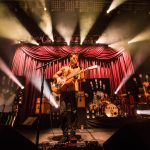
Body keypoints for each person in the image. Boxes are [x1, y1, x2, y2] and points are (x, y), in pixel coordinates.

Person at [52, 52, 84, 143]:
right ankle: (65, 134)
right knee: (62, 112)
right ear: (70, 58)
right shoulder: (64, 68)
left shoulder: (79, 69)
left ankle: (73, 133)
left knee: (74, 112)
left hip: (74, 92)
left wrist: (79, 77)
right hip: (64, 92)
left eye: (77, 59)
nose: (75, 60)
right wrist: (58, 78)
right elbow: (54, 75)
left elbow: (82, 78)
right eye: (74, 58)